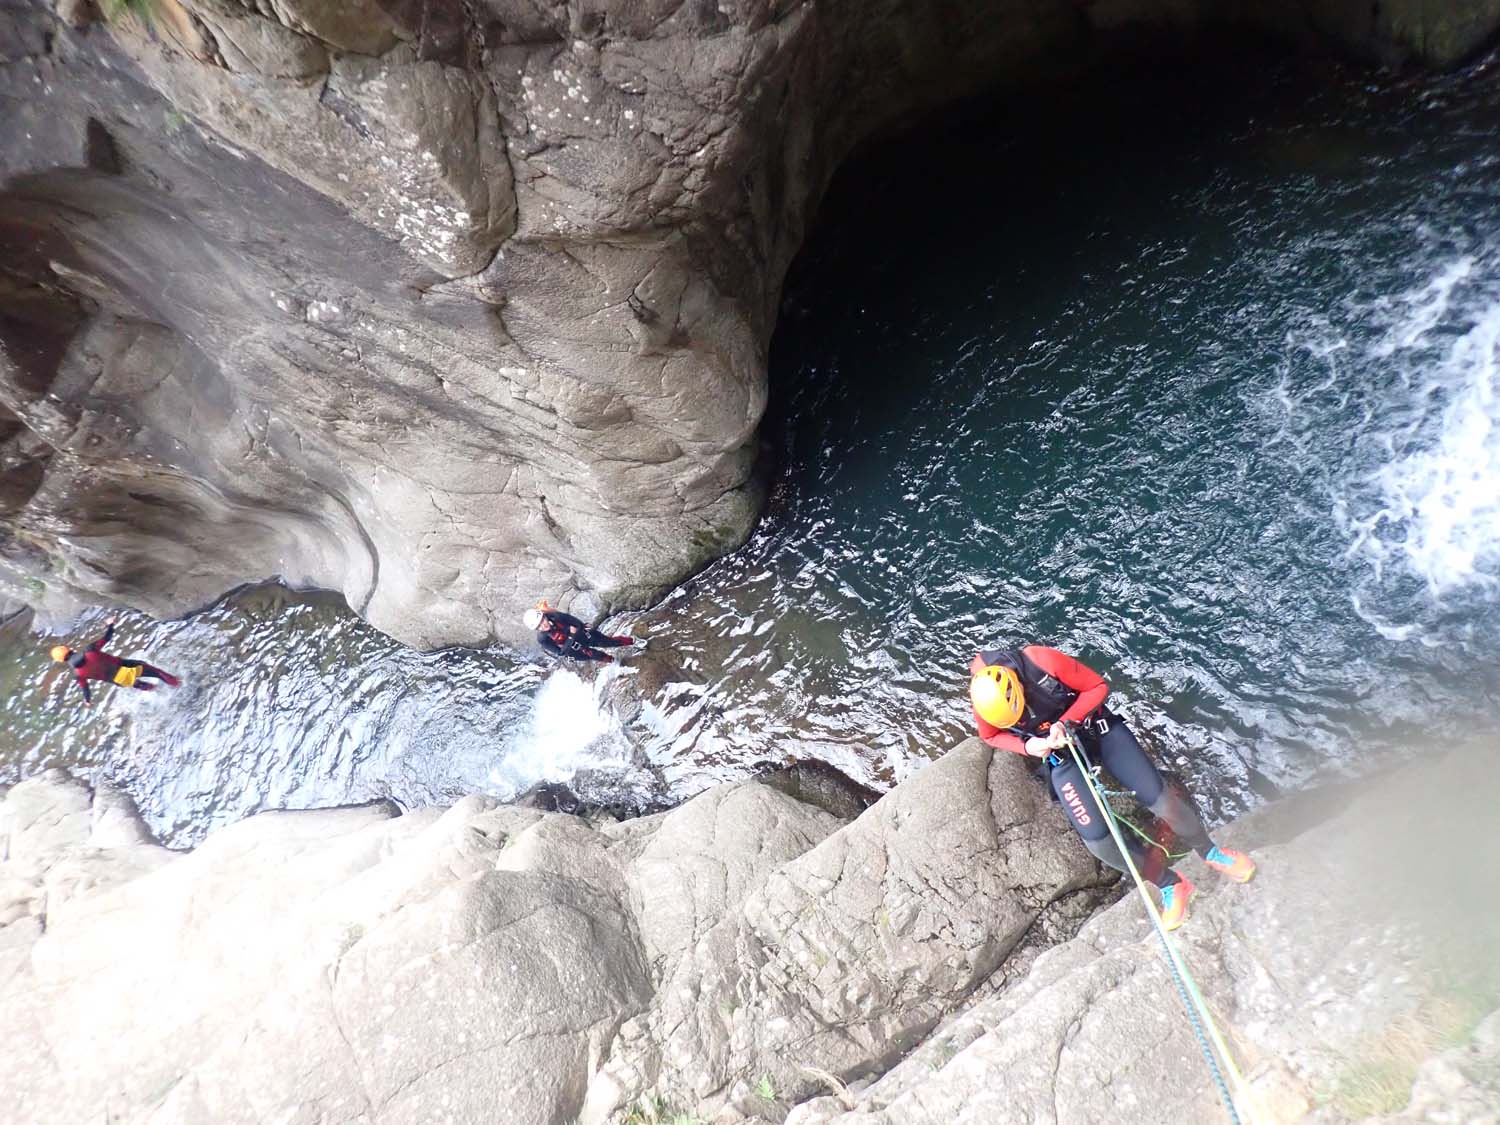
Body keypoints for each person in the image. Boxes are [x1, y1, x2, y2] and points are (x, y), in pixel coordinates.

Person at [969, 644, 1255, 930]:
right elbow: (990, 736)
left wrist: (1065, 722)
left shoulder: (1039, 661)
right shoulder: (984, 697)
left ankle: (1212, 852)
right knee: (1099, 842)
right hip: (1061, 754)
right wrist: (1028, 746)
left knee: (1159, 799)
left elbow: (1097, 686)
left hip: (1097, 729)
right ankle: (1170, 884)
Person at [51, 617, 181, 706]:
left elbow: (86, 690)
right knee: (157, 673)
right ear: (69, 649)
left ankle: (162, 694)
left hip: (120, 680)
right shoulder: (90, 650)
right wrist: (110, 624)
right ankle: (178, 685)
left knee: (142, 685)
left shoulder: (78, 675)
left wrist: (87, 701)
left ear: (62, 661)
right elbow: (107, 637)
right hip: (127, 667)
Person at [524, 600, 642, 663]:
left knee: (608, 642)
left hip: (583, 635)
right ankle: (616, 662)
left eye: (542, 621)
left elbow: (576, 623)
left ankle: (633, 641)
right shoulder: (543, 639)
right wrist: (571, 635)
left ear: (544, 616)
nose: (543, 626)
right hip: (574, 650)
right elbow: (561, 653)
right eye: (539, 626)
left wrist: (578, 630)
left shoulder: (555, 616)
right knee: (596, 656)